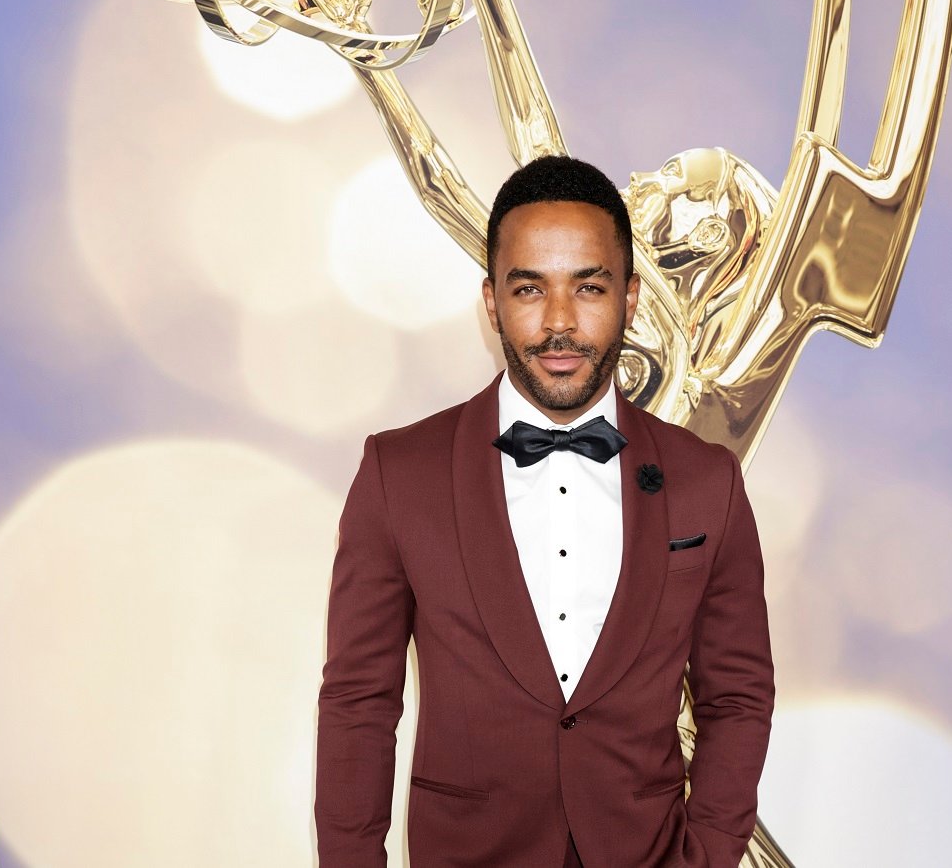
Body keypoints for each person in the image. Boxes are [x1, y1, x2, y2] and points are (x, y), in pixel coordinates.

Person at [315, 155, 775, 867]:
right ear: (492, 302)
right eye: (530, 289)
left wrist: (706, 857)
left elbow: (736, 699)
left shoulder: (704, 482)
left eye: (588, 288)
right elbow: (358, 703)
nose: (559, 323)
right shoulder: (396, 474)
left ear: (629, 298)